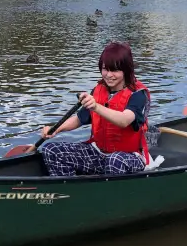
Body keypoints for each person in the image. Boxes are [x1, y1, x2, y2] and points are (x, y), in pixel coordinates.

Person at [34, 42, 151, 176]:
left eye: (114, 70)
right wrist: (54, 129)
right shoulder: (98, 90)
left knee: (115, 161)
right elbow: (79, 119)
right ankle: (71, 192)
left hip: (129, 157)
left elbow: (124, 120)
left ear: (126, 70)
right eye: (105, 69)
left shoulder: (138, 94)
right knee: (52, 150)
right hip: (99, 152)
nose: (108, 75)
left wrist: (95, 106)